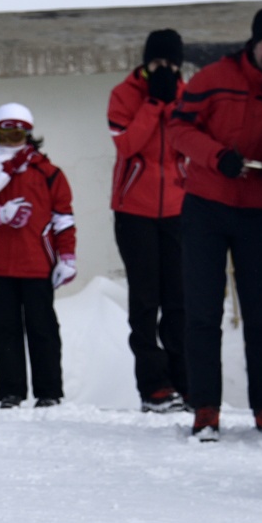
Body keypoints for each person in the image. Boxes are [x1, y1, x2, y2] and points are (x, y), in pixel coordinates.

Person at [173, 6, 262, 442]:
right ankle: (205, 408)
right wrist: (216, 156)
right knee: (203, 313)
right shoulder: (214, 77)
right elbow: (178, 129)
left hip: (260, 209)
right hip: (206, 205)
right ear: (253, 42)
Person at [0, 103, 77, 408]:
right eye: (4, 132)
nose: (11, 139)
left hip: (37, 265)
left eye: (18, 133)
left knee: (43, 330)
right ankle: (10, 393)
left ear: (28, 134)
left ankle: (49, 393)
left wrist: (67, 258)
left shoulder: (49, 173)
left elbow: (63, 218)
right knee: (4, 332)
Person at [108, 28, 190, 413]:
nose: (165, 69)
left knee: (179, 299)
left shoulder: (186, 95)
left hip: (177, 211)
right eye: (159, 62)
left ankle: (183, 382)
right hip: (134, 212)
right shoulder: (124, 95)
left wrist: (171, 102)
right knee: (145, 301)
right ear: (146, 61)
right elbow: (127, 144)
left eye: (172, 64)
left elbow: (187, 144)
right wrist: (154, 103)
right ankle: (153, 387)